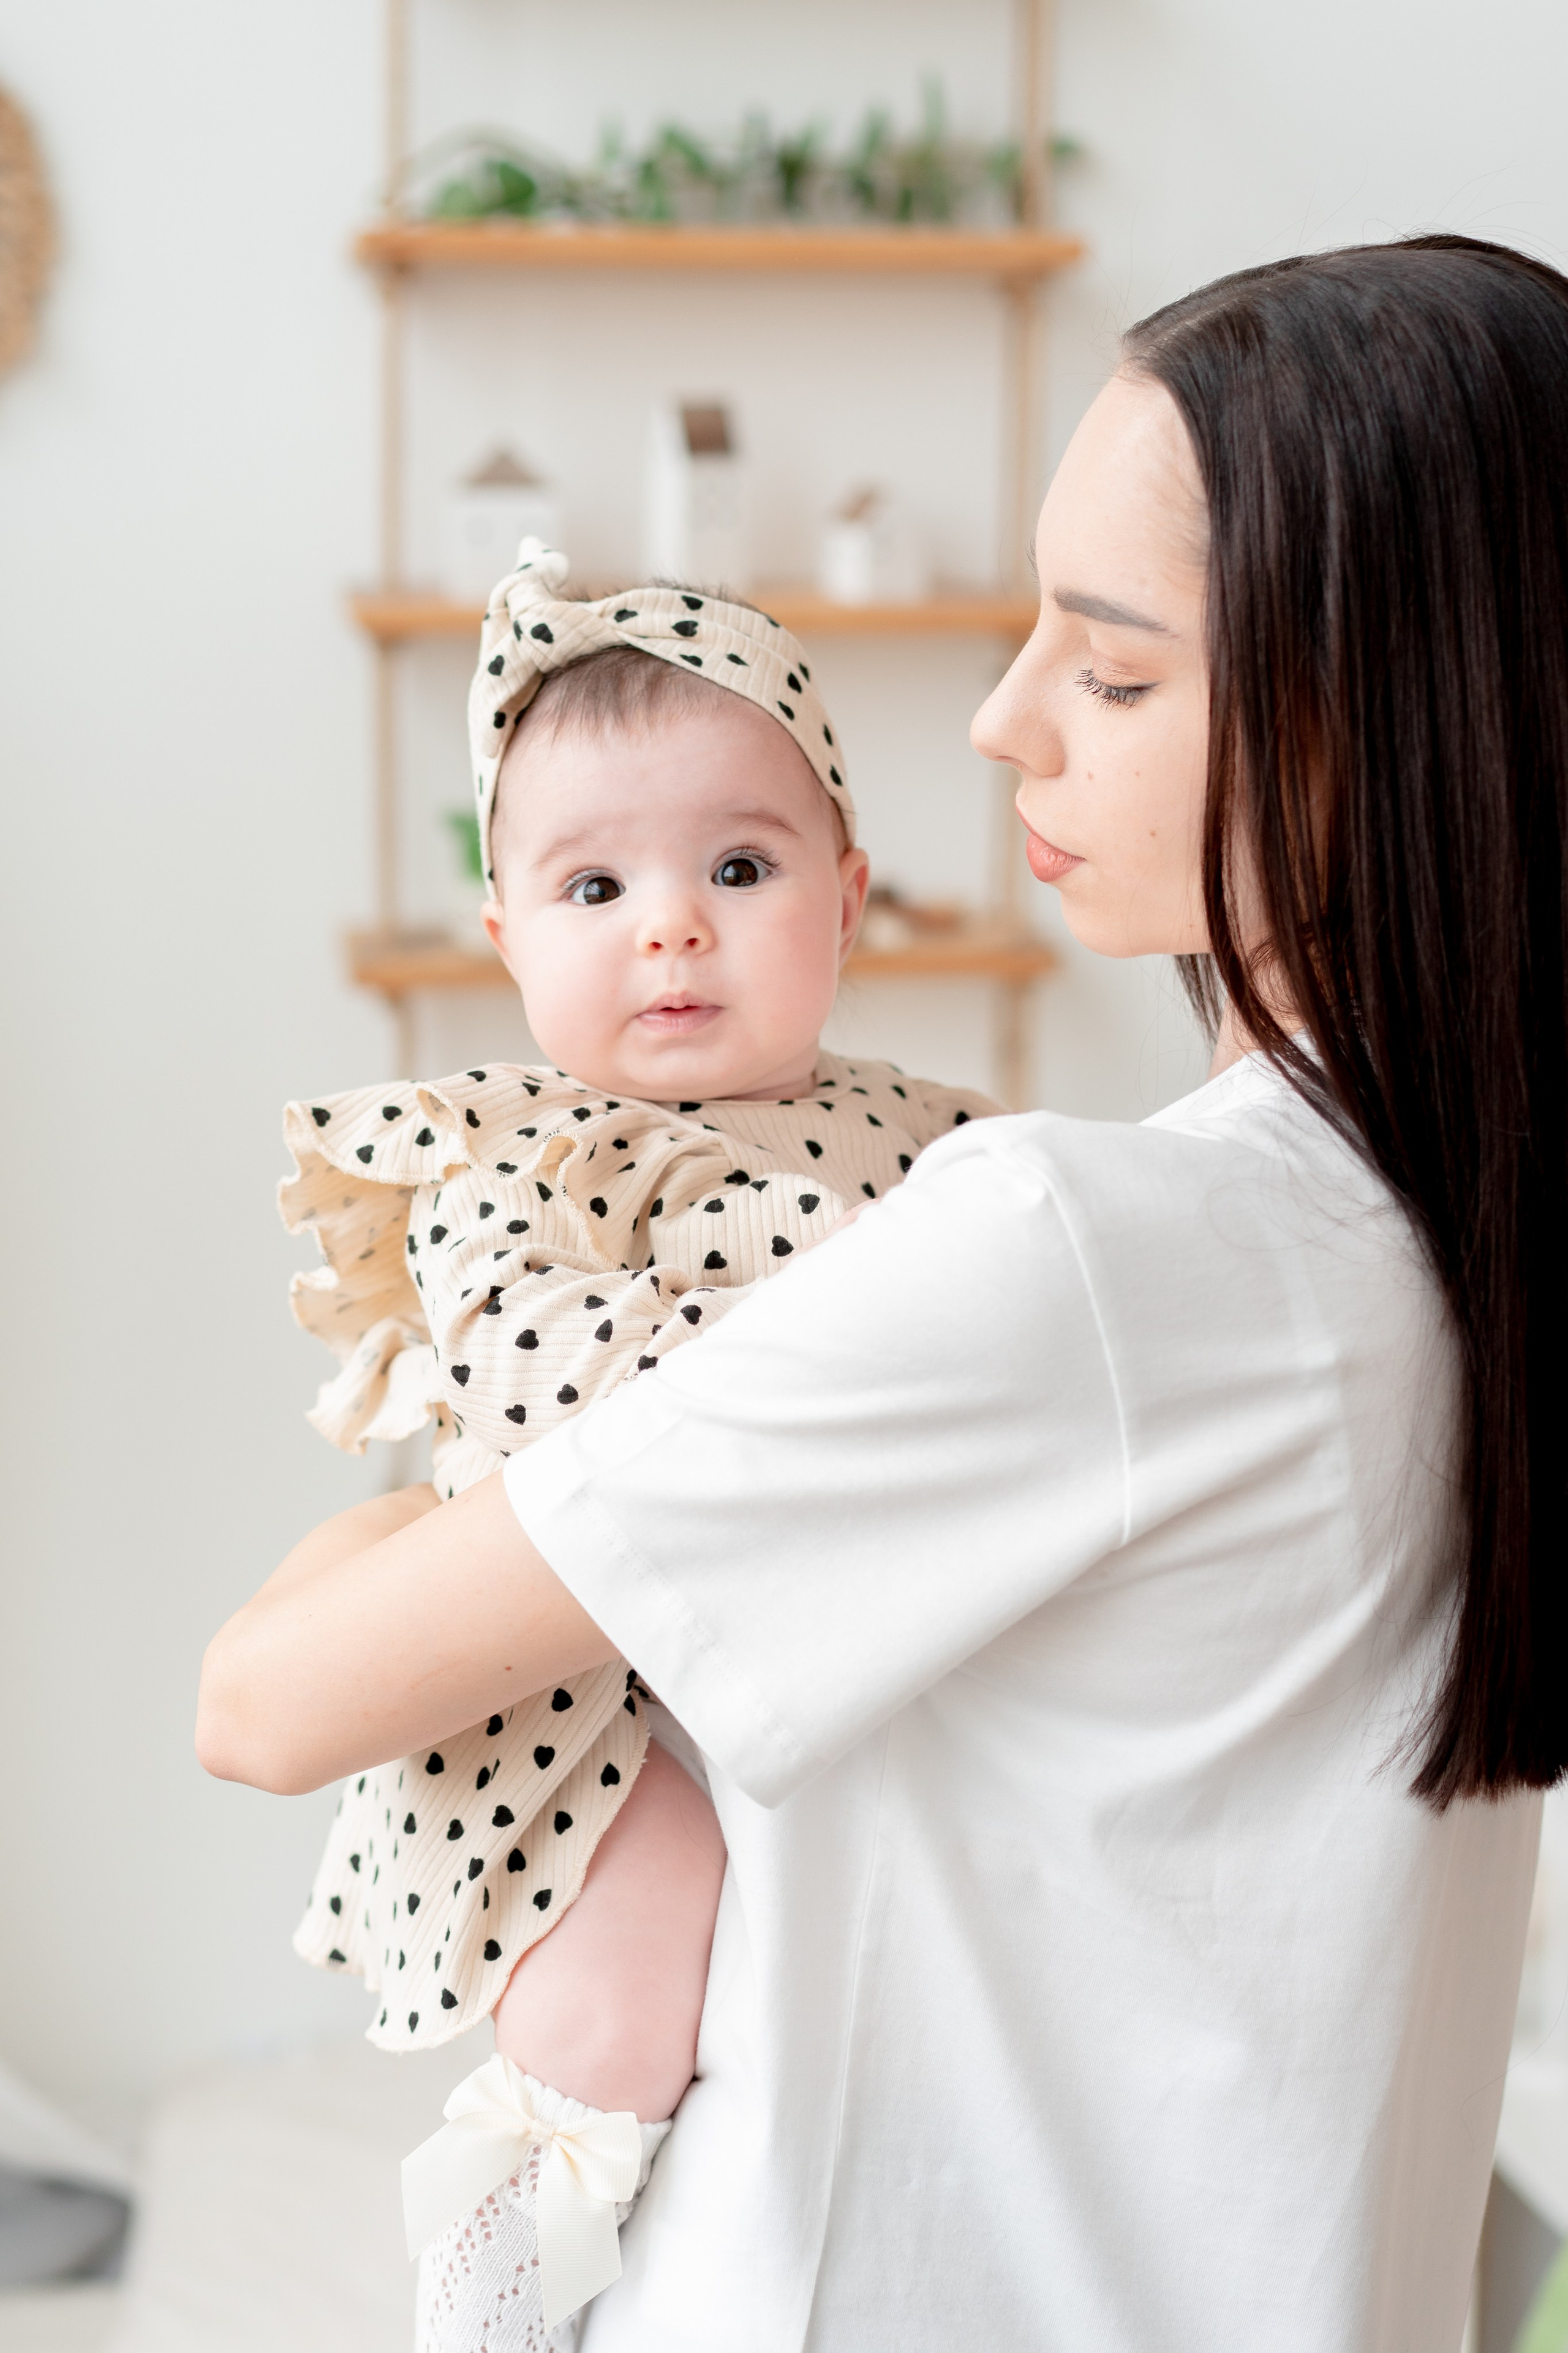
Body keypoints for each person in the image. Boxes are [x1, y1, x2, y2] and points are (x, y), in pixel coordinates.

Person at [198, 236, 1568, 2352]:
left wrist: (389, 1517)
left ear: (1376, 718)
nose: (1005, 716)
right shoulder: (1454, 1253)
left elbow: (269, 1702)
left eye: (1113, 672)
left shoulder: (1075, 1254)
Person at [274, 539, 997, 2349]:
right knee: (627, 1970)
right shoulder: (506, 1166)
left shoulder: (932, 1138)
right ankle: (499, 2284)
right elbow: (556, 1400)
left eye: (737, 869)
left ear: (846, 898)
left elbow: (1006, 1310)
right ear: (509, 935)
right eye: (595, 884)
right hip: (567, 1676)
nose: (670, 924)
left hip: (811, 1637)